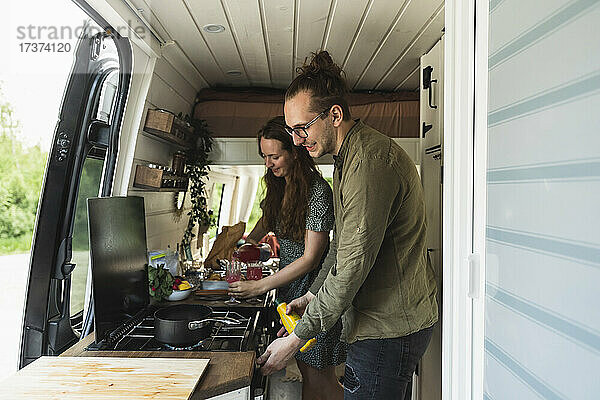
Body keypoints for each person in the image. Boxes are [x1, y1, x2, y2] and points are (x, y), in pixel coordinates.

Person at [256, 51, 439, 399]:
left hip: (389, 328)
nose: (296, 141)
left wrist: (296, 339)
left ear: (334, 115)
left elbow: (353, 265)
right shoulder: (347, 158)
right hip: (378, 323)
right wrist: (311, 295)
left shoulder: (369, 164)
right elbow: (340, 246)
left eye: (301, 129)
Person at [228, 116, 346, 400]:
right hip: (290, 288)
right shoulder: (279, 184)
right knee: (308, 371)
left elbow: (310, 258)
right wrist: (248, 242)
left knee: (319, 377)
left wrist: (259, 286)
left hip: (314, 290)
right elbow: (267, 220)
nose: (268, 163)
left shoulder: (317, 191)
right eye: (265, 156)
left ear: (295, 152)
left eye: (275, 156)